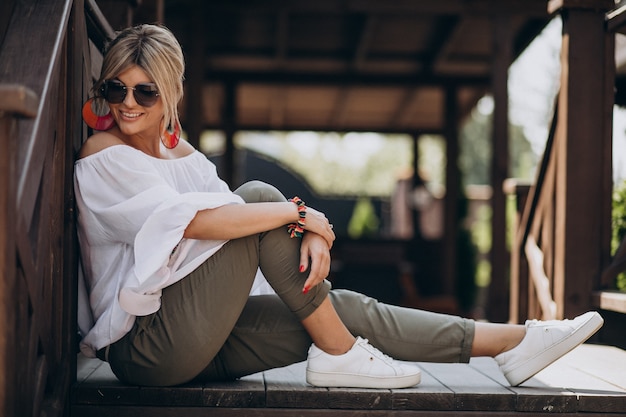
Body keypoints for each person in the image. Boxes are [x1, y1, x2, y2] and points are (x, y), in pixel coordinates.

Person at [75, 24, 604, 389]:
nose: (127, 102)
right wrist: (301, 216)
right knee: (260, 198)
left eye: (145, 93)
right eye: (116, 87)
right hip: (149, 347)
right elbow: (201, 222)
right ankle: (340, 356)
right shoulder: (103, 156)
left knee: (341, 311)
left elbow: (239, 228)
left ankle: (516, 343)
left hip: (201, 332)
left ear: (169, 96)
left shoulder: (180, 155)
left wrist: (298, 224)